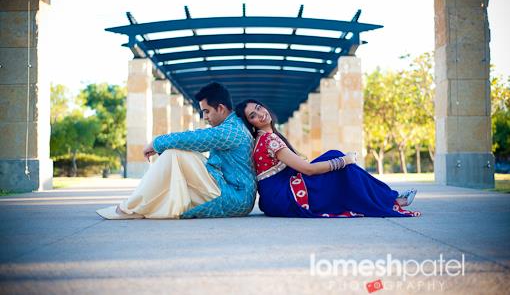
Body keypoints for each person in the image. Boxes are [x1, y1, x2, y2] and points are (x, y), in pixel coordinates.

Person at [234, 99, 420, 218]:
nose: (260, 114)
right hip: (282, 197)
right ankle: (391, 199)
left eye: (259, 108)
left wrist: (339, 161)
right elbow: (307, 169)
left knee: (334, 158)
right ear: (250, 123)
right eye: (253, 116)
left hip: (275, 197)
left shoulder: (267, 137)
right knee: (338, 161)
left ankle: (389, 197)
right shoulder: (269, 140)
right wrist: (344, 161)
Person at [96, 82, 256, 219]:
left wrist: (156, 142)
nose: (204, 117)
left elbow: (198, 139)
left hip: (236, 197)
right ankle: (135, 206)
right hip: (231, 190)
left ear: (221, 108)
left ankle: (130, 207)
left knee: (175, 153)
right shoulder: (232, 126)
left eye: (206, 111)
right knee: (176, 154)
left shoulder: (231, 130)